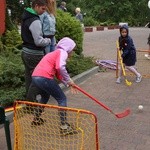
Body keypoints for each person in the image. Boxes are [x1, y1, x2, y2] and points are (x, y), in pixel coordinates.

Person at [28, 37, 78, 135]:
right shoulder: (62, 52)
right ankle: (64, 127)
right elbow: (60, 67)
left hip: (35, 77)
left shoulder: (54, 53)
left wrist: (68, 84)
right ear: (68, 48)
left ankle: (36, 119)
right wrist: (69, 79)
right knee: (62, 99)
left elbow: (59, 75)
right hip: (44, 77)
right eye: (72, 49)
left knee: (45, 96)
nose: (72, 52)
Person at [21, 0, 51, 98]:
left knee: (29, 78)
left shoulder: (26, 16)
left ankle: (30, 103)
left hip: (25, 52)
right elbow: (38, 41)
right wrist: (48, 41)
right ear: (36, 6)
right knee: (38, 79)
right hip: (34, 54)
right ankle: (31, 102)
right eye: (43, 8)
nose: (44, 11)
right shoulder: (35, 20)